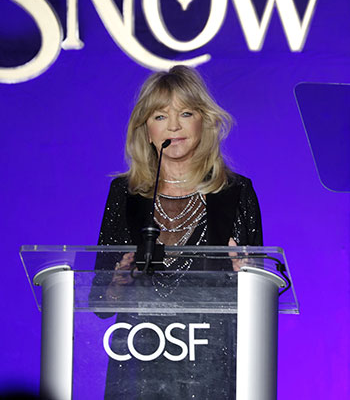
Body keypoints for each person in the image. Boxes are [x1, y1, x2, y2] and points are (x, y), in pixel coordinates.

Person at [94, 66, 263, 399]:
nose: (174, 126)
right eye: (160, 116)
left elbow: (257, 302)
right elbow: (98, 303)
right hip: (138, 361)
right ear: (145, 128)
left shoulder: (236, 192)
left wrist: (248, 277)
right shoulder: (124, 194)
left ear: (205, 120)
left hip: (211, 366)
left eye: (186, 113)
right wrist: (116, 283)